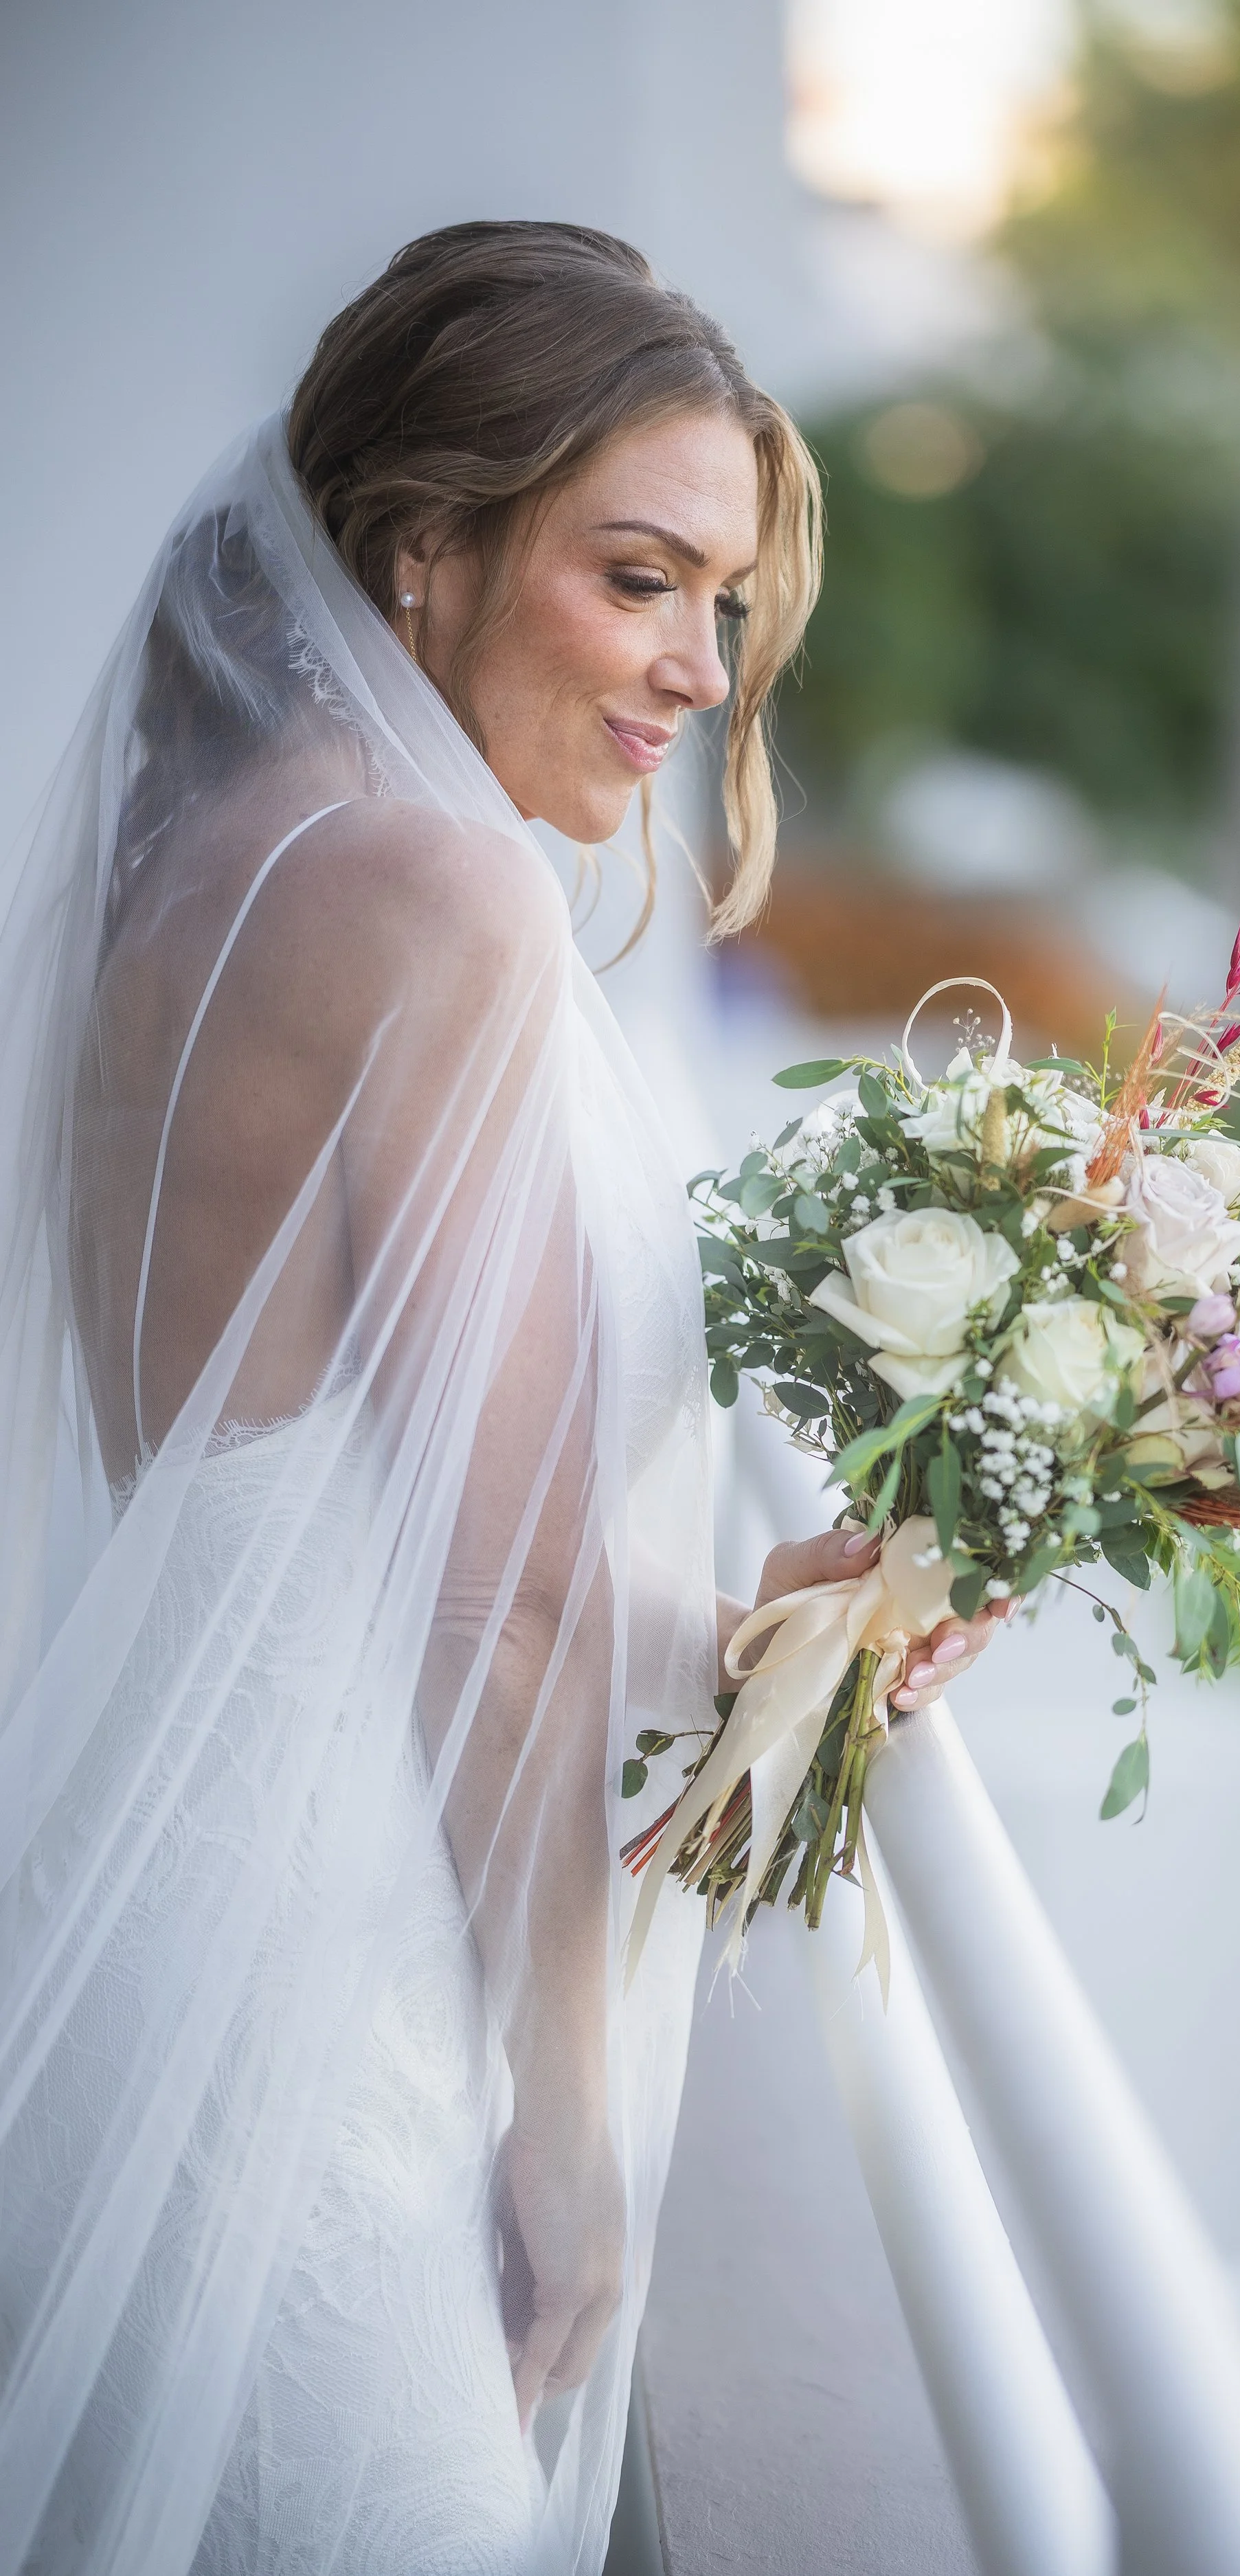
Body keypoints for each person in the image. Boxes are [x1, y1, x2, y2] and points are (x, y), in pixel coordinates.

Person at [0, 221, 1000, 2576]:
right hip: (332, 2013)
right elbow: (497, 1592)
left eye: (725, 607)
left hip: (188, 1917)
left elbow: (323, 1517)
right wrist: (567, 2117)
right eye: (636, 575)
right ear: (419, 552)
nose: (690, 669)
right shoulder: (431, 893)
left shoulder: (215, 871)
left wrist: (764, 1636)